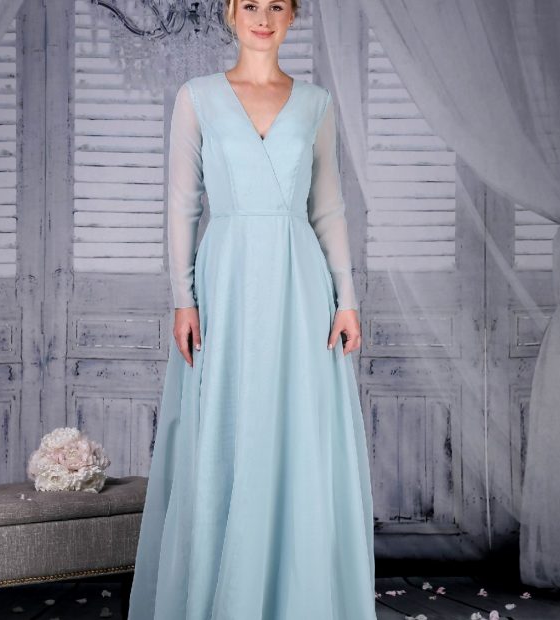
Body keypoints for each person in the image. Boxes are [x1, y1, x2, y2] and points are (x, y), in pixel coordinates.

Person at [128, 0, 377, 617]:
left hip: (300, 285)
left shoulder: (315, 103)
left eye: (275, 6)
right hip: (227, 282)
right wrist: (183, 298)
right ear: (230, 13)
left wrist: (346, 300)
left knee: (297, 428)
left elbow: (329, 208)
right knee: (227, 424)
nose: (262, 17)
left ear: (292, 17)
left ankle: (295, 597)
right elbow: (183, 204)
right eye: (250, 5)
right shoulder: (197, 98)